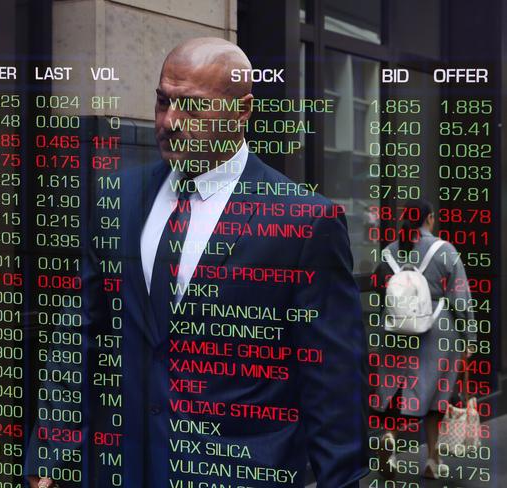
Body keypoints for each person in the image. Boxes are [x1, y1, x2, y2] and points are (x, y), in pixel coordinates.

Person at [29, 37, 368, 488]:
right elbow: (82, 331)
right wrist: (50, 455)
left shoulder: (303, 221)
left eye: (192, 107)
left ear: (243, 110)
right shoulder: (120, 197)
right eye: (163, 100)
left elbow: (331, 380)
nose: (170, 121)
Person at [371, 199, 475, 480]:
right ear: (429, 219)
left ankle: (390, 439)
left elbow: (380, 292)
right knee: (436, 395)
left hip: (395, 331)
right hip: (437, 331)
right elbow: (460, 299)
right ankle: (432, 459)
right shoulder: (445, 251)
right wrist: (470, 338)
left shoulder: (389, 252)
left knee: (397, 390)